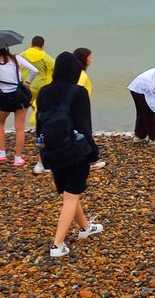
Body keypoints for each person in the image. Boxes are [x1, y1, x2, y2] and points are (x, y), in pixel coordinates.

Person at [36, 52, 104, 258]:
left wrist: (42, 153)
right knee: (71, 196)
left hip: (52, 150)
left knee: (70, 193)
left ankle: (86, 228)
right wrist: (93, 153)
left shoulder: (44, 92)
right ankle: (57, 245)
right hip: (75, 151)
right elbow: (84, 126)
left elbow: (39, 125)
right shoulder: (78, 92)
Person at [0, 47, 38, 166]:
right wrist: (28, 83)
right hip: (21, 96)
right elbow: (34, 70)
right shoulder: (16, 58)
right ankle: (18, 158)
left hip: (5, 97)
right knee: (20, 128)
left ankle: (2, 152)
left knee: (0, 123)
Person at [21, 36, 55, 128]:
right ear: (43, 46)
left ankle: (21, 127)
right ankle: (39, 126)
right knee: (38, 107)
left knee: (24, 108)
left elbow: (15, 65)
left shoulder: (23, 55)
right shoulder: (45, 56)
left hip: (26, 85)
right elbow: (55, 66)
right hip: (40, 87)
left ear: (31, 44)